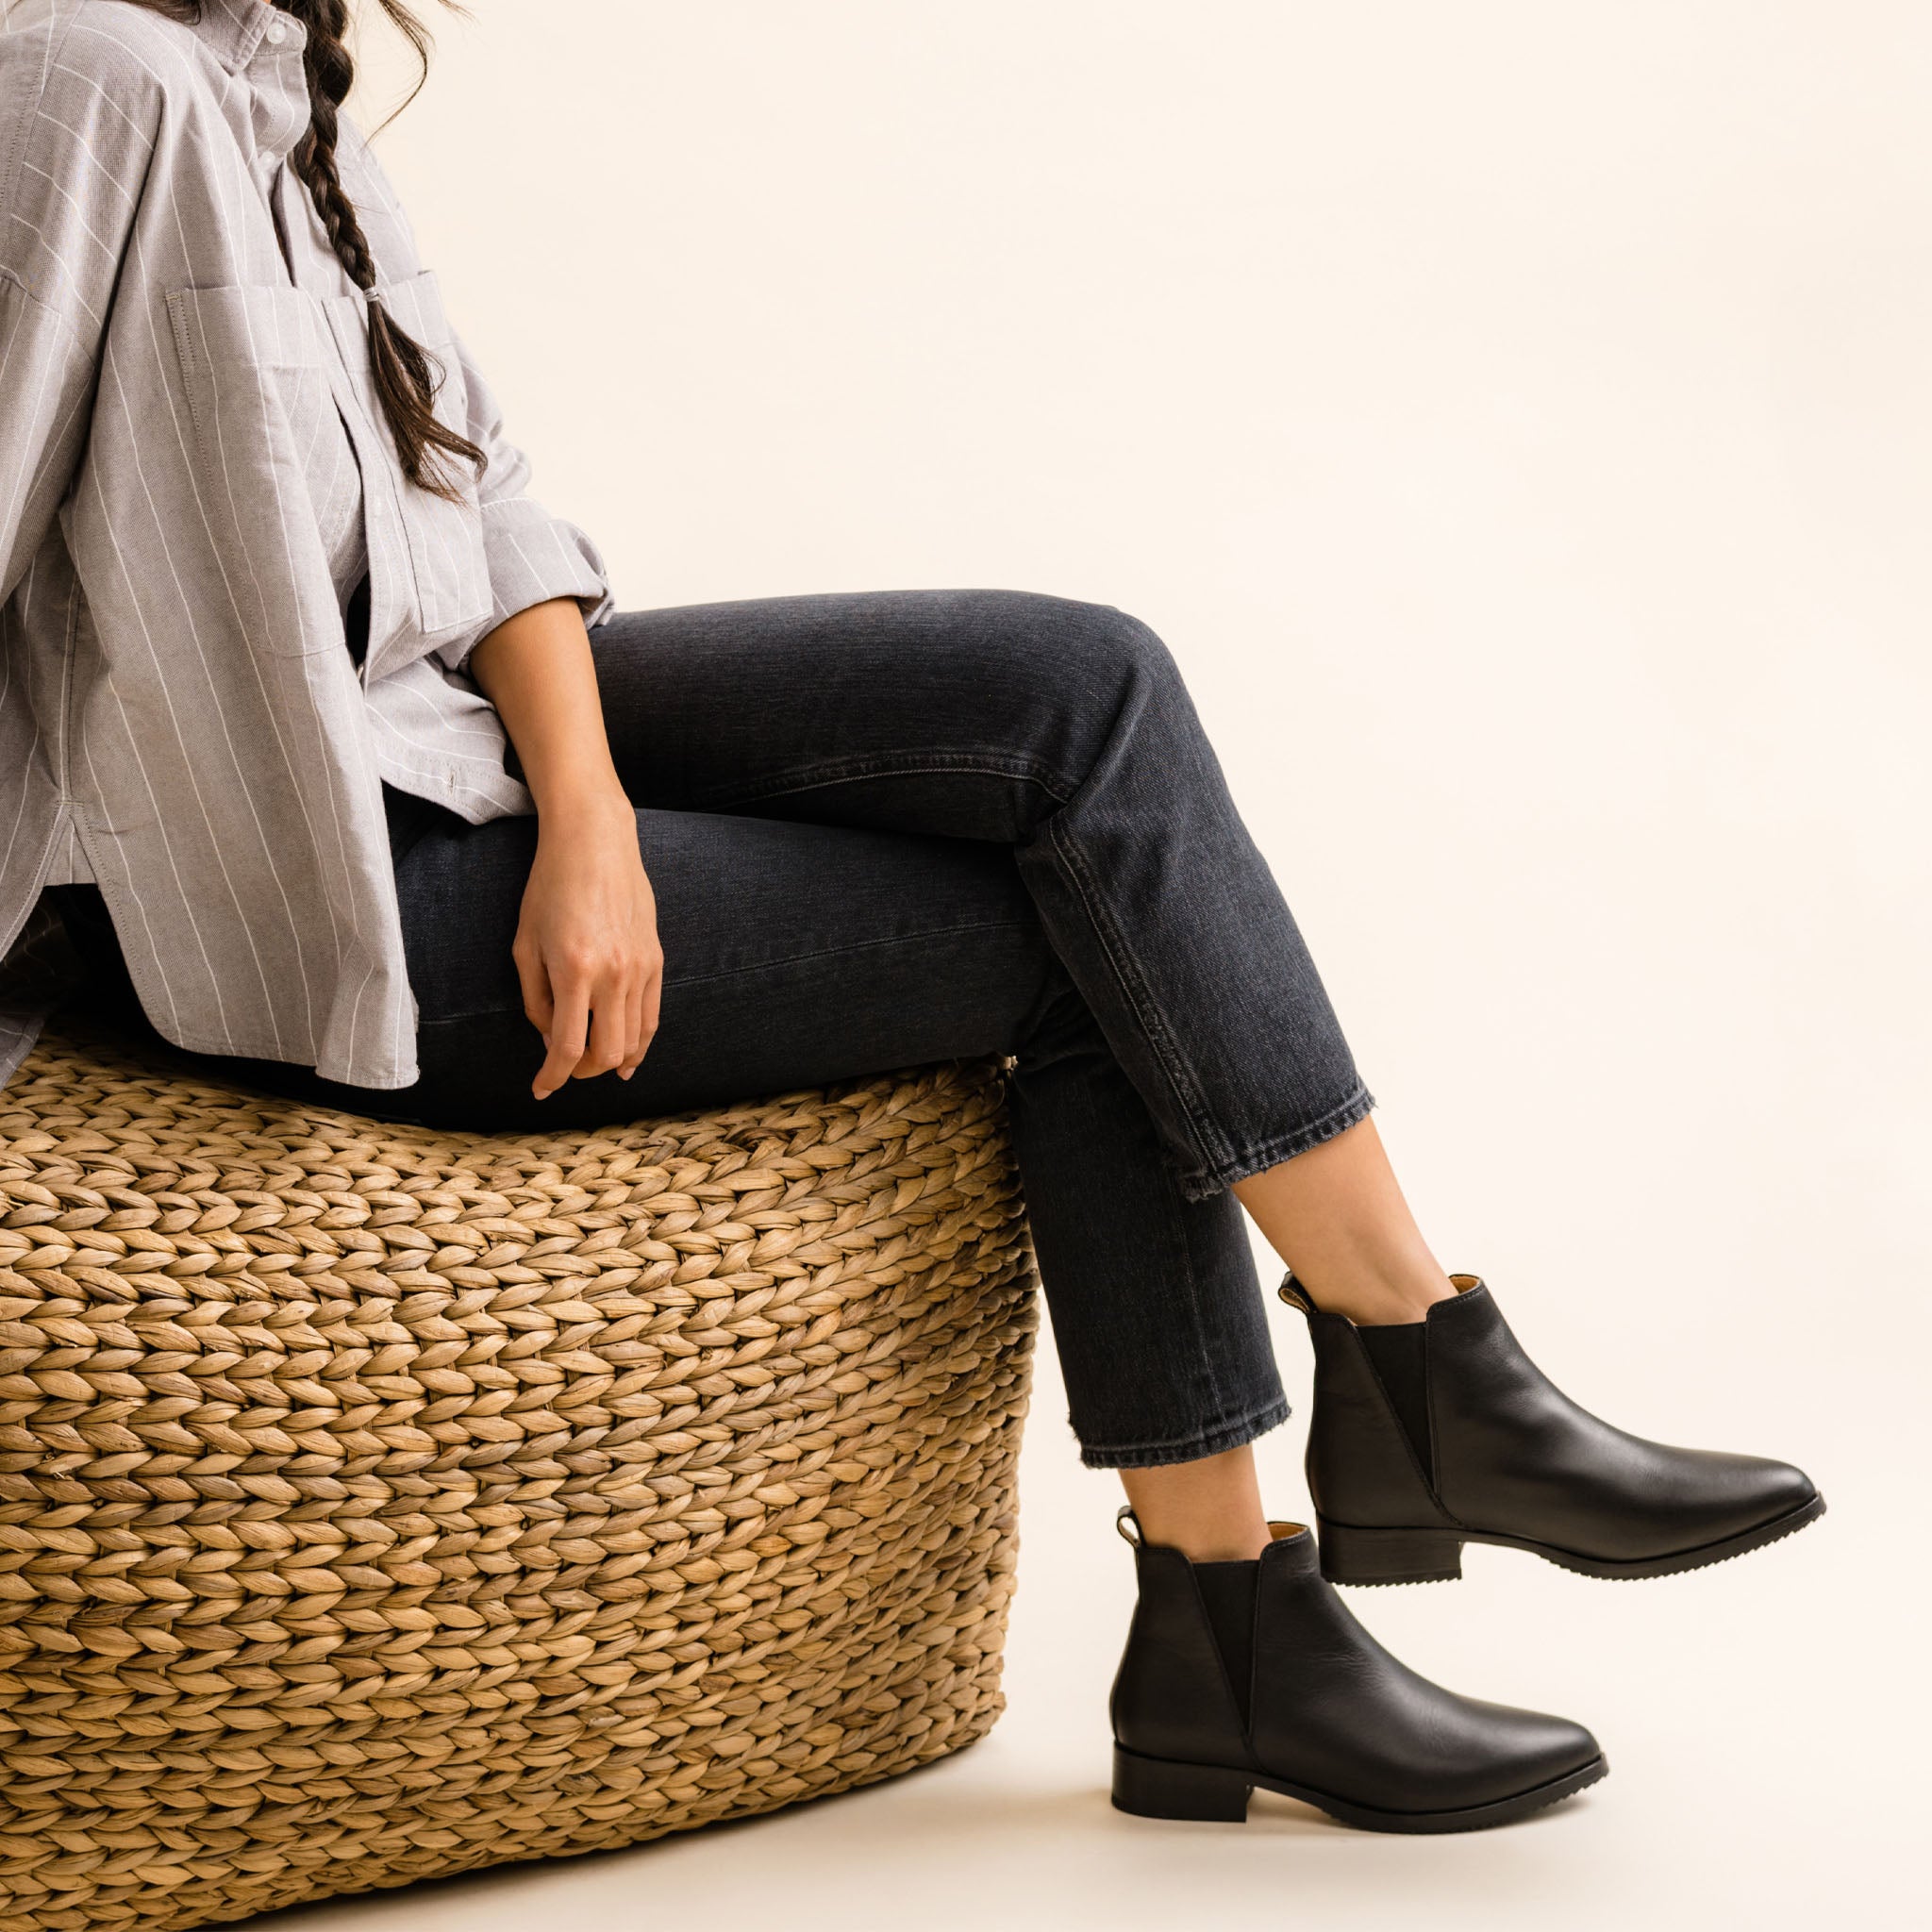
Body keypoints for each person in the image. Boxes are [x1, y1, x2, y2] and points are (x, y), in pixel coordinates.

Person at [0, 0, 1823, 1837]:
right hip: (299, 874)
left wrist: (594, 820)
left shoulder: (273, 69)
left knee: (1083, 690)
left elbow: (484, 513)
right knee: (1083, 937)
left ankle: (1408, 1360)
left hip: (436, 733)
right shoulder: (82, 71)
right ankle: (1265, 1586)